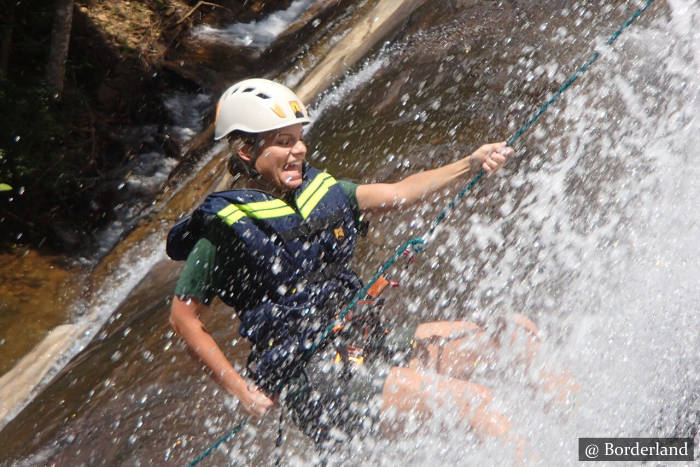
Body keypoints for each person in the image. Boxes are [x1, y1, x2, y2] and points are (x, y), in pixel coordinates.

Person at [167, 78, 535, 451]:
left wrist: (469, 163)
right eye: (283, 142)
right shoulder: (223, 230)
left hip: (363, 343)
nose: (298, 150)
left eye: (298, 138)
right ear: (246, 149)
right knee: (475, 403)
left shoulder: (325, 192)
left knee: (516, 335)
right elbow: (183, 319)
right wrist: (240, 390)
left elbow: (398, 193)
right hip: (317, 381)